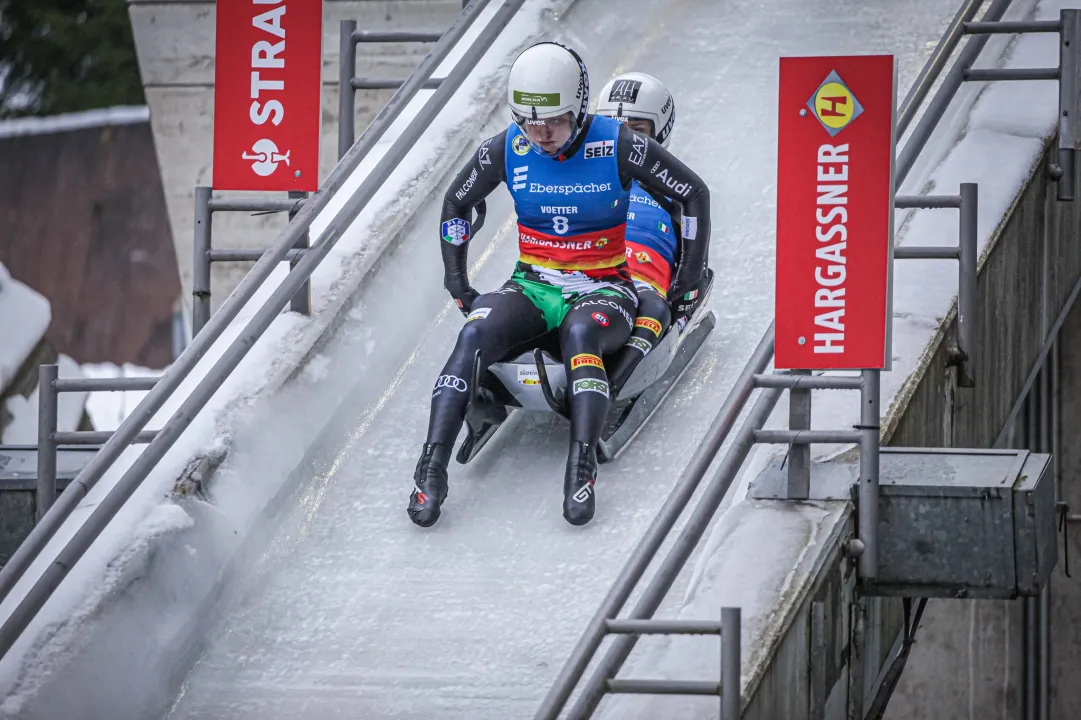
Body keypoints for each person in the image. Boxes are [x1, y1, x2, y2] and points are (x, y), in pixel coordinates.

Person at [408, 42, 711, 529]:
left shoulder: (618, 143)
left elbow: (692, 193)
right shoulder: (507, 146)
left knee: (580, 334)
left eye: (555, 121)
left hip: (604, 286)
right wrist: (458, 281)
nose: (542, 134)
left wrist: (690, 278)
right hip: (534, 284)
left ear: (580, 107)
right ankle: (431, 468)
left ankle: (580, 467)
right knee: (473, 334)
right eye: (530, 123)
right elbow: (456, 204)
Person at [594, 71, 690, 393]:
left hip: (643, 277)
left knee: (656, 309)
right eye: (615, 128)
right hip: (591, 271)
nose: (627, 139)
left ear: (659, 131)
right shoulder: (581, 179)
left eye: (637, 130)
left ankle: (611, 385)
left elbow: (691, 255)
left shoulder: (676, 187)